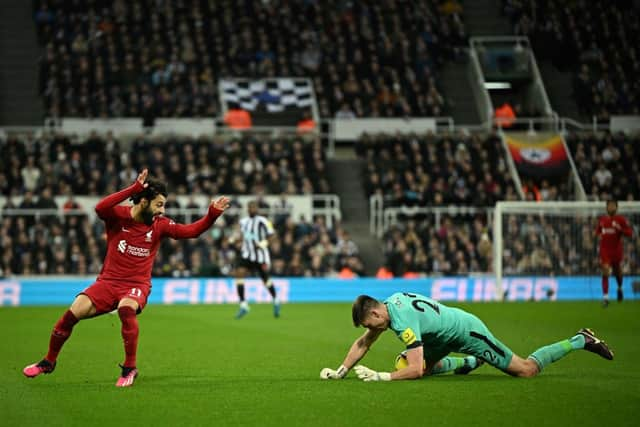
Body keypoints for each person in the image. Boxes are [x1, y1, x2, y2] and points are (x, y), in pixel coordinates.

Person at [23, 169, 230, 387]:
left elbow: (191, 231)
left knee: (126, 308)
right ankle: (49, 361)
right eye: (159, 204)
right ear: (143, 203)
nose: (163, 210)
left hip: (136, 285)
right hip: (107, 283)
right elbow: (100, 208)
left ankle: (130, 368)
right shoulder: (118, 216)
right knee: (72, 313)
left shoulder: (160, 225)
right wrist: (133, 189)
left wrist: (211, 215)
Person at [320, 292, 613, 381]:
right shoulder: (389, 304)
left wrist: (381, 376)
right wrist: (341, 371)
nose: (370, 331)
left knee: (526, 370)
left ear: (373, 315)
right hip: (439, 337)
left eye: (369, 325)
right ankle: (470, 364)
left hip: (465, 331)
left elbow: (415, 371)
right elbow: (362, 343)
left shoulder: (402, 320)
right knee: (409, 363)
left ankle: (581, 339)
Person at [231, 200, 279, 319]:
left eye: (254, 207)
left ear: (257, 209)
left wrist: (263, 243)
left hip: (260, 255)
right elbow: (241, 236)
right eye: (250, 207)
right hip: (247, 254)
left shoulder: (264, 221)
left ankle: (276, 300)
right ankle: (243, 305)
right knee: (239, 273)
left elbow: (273, 235)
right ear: (247, 209)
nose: (252, 209)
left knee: (265, 279)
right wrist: (234, 240)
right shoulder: (243, 222)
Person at [595, 199, 633, 307]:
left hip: (616, 250)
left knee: (618, 273)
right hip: (605, 250)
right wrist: (598, 235)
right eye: (609, 206)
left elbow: (629, 233)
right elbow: (597, 232)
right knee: (605, 271)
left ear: (616, 208)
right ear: (606, 208)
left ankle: (620, 288)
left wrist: (620, 229)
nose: (611, 207)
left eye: (613, 206)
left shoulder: (620, 219)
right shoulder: (602, 220)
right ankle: (606, 298)